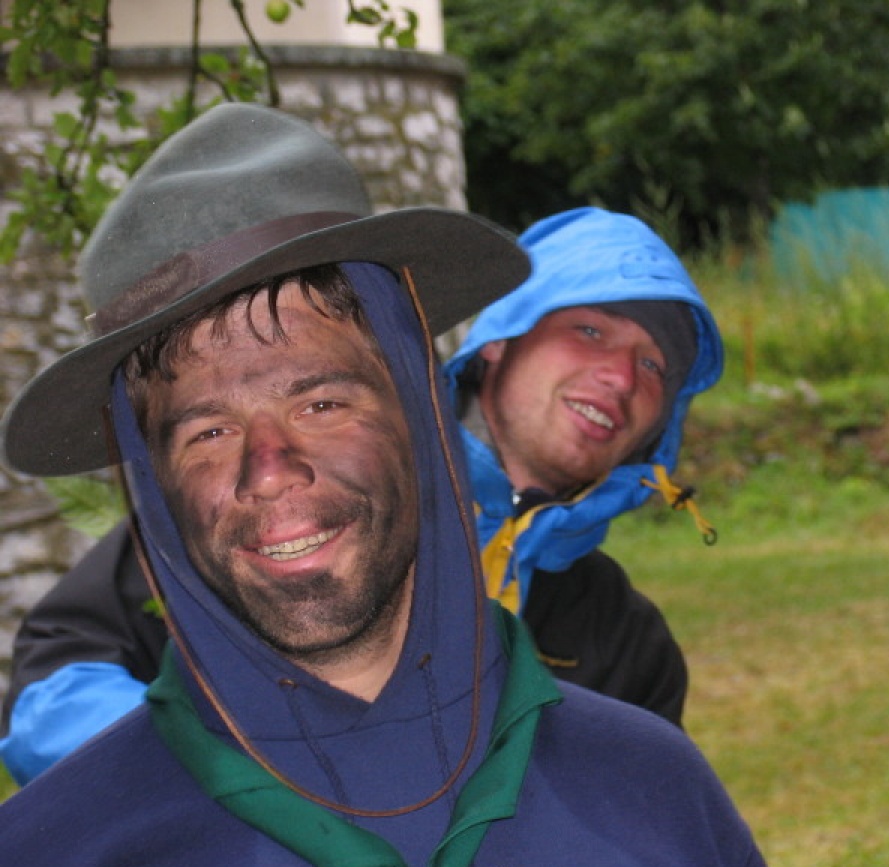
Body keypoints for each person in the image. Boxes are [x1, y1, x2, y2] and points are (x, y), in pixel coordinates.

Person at [0, 103, 870, 867]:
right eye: (204, 429)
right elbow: (60, 663)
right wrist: (220, 796)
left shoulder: (653, 787)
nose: (270, 468)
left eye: (322, 400)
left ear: (414, 407)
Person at [0, 207, 721, 784]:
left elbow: (633, 851)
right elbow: (53, 687)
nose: (619, 377)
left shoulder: (627, 638)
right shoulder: (296, 503)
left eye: (654, 365)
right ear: (503, 337)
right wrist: (214, 774)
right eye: (589, 330)